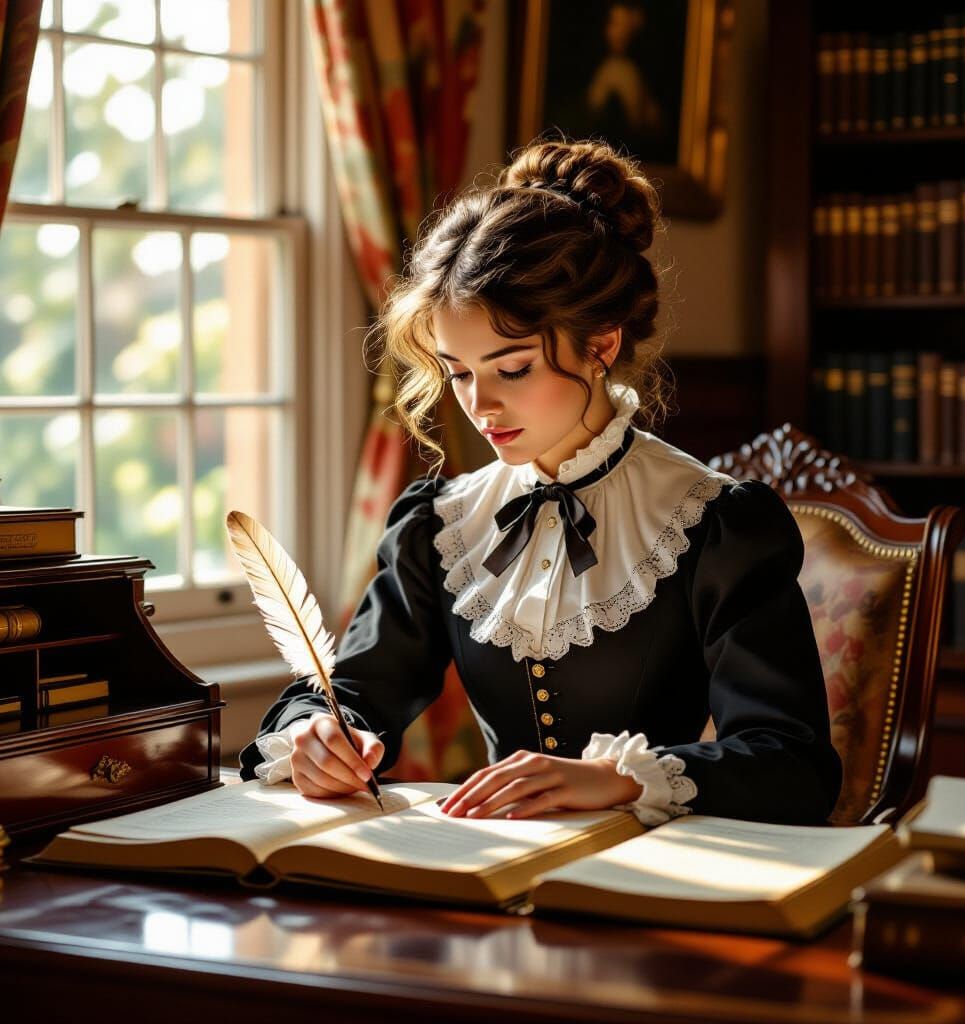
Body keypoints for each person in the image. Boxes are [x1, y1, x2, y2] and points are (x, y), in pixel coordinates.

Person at [240, 138, 842, 828]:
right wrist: (319, 736)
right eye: (457, 372)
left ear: (602, 344)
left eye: (513, 368)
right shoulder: (439, 525)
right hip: (481, 872)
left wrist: (614, 782)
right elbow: (354, 689)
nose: (478, 405)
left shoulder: (716, 523)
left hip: (663, 878)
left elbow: (792, 767)